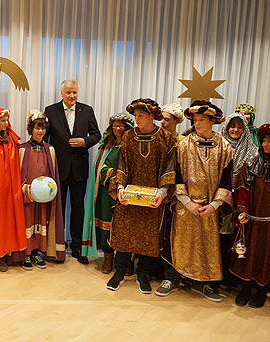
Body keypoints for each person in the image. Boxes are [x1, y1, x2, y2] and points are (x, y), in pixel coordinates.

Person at [157, 100, 233, 302]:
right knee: (178, 241)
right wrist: (187, 202)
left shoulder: (225, 148)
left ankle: (205, 283)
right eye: (195, 120)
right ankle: (172, 278)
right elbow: (177, 176)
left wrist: (214, 205)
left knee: (207, 244)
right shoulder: (183, 145)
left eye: (202, 120)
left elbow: (227, 179)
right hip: (185, 206)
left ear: (212, 121)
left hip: (209, 207)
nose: (197, 124)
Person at [107, 98, 176, 293]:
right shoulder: (128, 137)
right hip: (128, 197)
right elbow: (121, 164)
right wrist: (120, 187)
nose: (136, 119)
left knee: (148, 236)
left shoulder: (165, 138)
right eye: (135, 116)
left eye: (141, 116)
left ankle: (143, 273)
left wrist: (162, 193)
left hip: (153, 197)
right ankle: (119, 271)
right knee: (123, 232)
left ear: (152, 116)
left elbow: (169, 167)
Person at [228, 124, 270, 309]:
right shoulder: (251, 163)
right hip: (252, 220)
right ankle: (245, 288)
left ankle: (261, 291)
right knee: (248, 253)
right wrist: (241, 210)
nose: (265, 145)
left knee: (268, 255)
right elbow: (242, 190)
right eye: (264, 141)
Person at [44, 80, 101, 264]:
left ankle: (77, 246)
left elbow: (96, 135)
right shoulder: (50, 111)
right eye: (68, 92)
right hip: (57, 169)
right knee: (57, 208)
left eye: (75, 92)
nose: (72, 96)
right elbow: (44, 138)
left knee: (78, 209)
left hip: (79, 169)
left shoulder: (87, 110)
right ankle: (56, 245)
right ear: (61, 93)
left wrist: (85, 141)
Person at [13, 110, 66, 270]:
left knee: (41, 221)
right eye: (37, 128)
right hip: (27, 195)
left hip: (44, 197)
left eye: (43, 128)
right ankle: (26, 253)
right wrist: (26, 188)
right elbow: (18, 173)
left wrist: (48, 191)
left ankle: (37, 251)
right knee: (27, 221)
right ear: (31, 129)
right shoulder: (22, 149)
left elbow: (52, 173)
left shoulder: (50, 149)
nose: (40, 131)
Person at [82, 113, 134, 274]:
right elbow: (99, 169)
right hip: (106, 194)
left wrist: (123, 178)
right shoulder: (106, 147)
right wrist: (112, 174)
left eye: (121, 126)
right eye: (115, 126)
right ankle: (108, 259)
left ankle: (126, 262)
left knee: (125, 228)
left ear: (127, 128)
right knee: (106, 227)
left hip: (126, 193)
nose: (118, 129)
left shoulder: (131, 146)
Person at [0, 108, 27, 273]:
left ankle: (1, 255)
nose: (5, 123)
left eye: (7, 120)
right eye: (2, 120)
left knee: (4, 223)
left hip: (6, 191)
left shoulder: (10, 142)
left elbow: (13, 170)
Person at [219, 112, 258, 287]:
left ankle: (229, 276)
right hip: (216, 195)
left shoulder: (252, 150)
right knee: (215, 235)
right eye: (232, 126)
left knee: (232, 237)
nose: (235, 130)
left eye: (240, 127)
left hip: (238, 198)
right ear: (226, 127)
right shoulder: (217, 144)